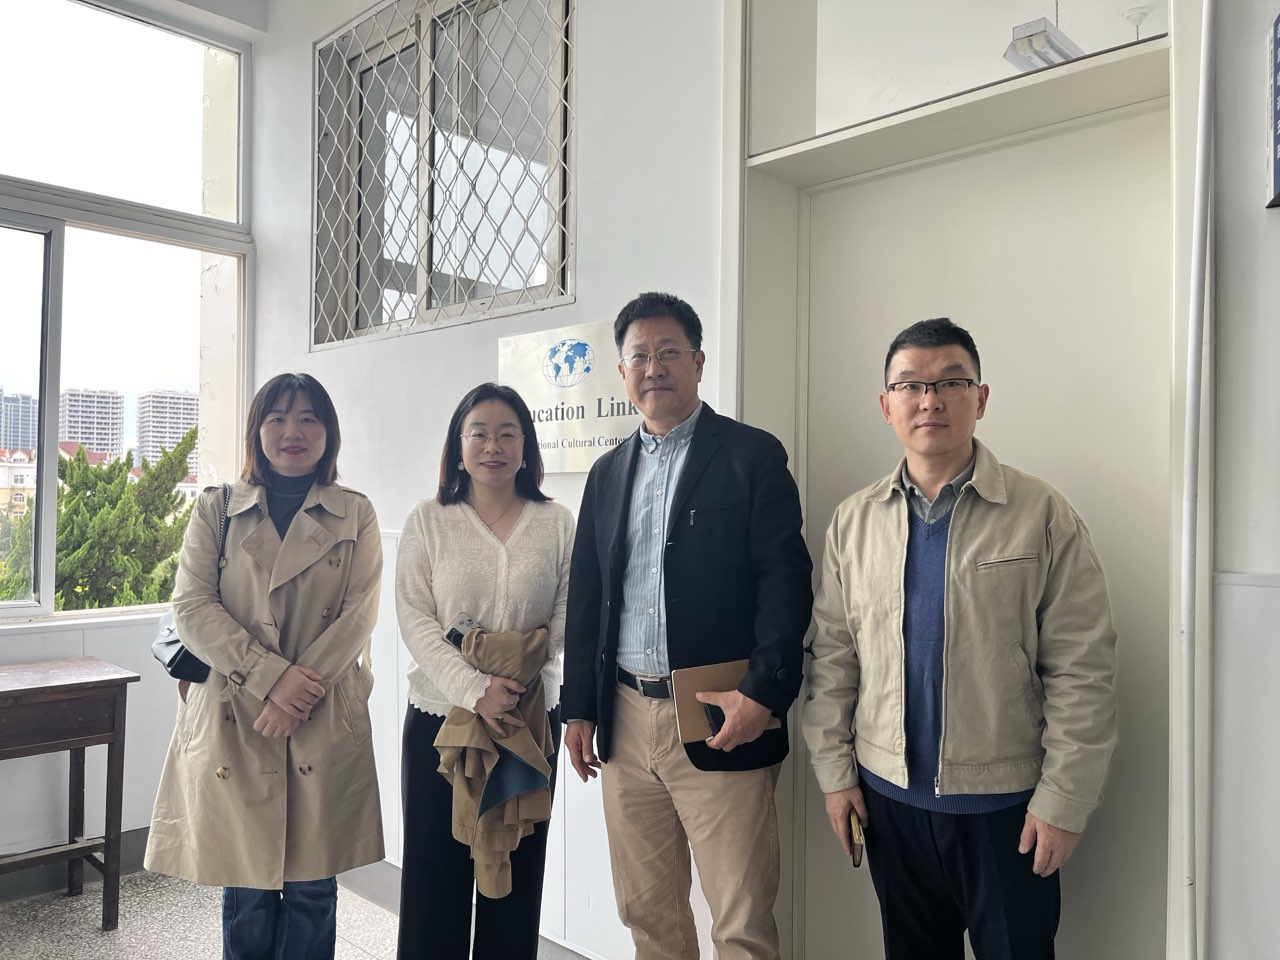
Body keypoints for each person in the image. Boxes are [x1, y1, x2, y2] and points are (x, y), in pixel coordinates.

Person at [803, 318, 1119, 959]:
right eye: (910, 386)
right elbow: (834, 657)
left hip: (1007, 811)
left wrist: (1063, 801)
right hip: (889, 803)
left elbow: (1082, 669)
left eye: (951, 382)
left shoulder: (1041, 514)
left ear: (981, 398)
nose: (931, 401)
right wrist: (836, 776)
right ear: (886, 404)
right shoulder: (854, 522)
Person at [562, 291, 813, 959]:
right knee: (648, 915)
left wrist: (763, 694)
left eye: (669, 352)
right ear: (622, 372)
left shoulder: (751, 456)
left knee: (740, 921)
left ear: (698, 362)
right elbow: (587, 598)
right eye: (639, 356)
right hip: (623, 715)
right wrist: (579, 707)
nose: (655, 368)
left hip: (719, 710)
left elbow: (785, 583)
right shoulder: (606, 473)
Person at [146, 373, 384, 960]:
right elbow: (192, 606)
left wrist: (296, 695)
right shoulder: (218, 508)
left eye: (308, 418)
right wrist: (271, 678)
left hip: (320, 711)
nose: (292, 431)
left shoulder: (355, 512)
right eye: (277, 418)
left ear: (328, 433)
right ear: (257, 430)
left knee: (312, 886)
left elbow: (358, 616)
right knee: (247, 883)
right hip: (238, 710)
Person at [395, 382, 574, 960]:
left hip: (527, 722)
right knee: (434, 884)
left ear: (526, 447)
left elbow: (570, 611)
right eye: (478, 434)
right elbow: (415, 619)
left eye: (506, 434)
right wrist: (476, 690)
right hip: (440, 723)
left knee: (515, 886)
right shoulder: (428, 520)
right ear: (458, 446)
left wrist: (514, 679)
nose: (492, 446)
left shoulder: (556, 522)